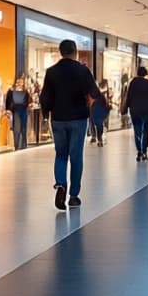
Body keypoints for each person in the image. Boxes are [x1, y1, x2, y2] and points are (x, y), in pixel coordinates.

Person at [40, 39, 100, 209]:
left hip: (58, 118)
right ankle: (73, 195)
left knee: (60, 154)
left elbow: (44, 97)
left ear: (60, 52)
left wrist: (46, 115)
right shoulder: (83, 70)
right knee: (76, 157)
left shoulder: (51, 72)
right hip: (78, 118)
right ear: (75, 52)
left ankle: (60, 183)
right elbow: (94, 92)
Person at [121, 65, 148, 162]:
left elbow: (128, 97)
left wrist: (125, 110)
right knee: (146, 131)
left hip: (135, 111)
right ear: (146, 73)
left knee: (137, 130)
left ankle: (139, 151)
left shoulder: (133, 83)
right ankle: (145, 151)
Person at [5, 76, 31, 150]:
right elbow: (7, 102)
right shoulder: (10, 91)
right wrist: (7, 110)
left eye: (21, 82)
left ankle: (23, 144)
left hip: (23, 110)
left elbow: (28, 101)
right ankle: (17, 145)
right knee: (16, 128)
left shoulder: (25, 92)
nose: (19, 83)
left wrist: (28, 105)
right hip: (15, 111)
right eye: (18, 82)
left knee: (23, 128)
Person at [89, 80, 110, 146]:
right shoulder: (101, 96)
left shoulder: (92, 96)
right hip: (100, 113)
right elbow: (105, 104)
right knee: (99, 126)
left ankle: (95, 137)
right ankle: (99, 139)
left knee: (93, 124)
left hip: (94, 113)